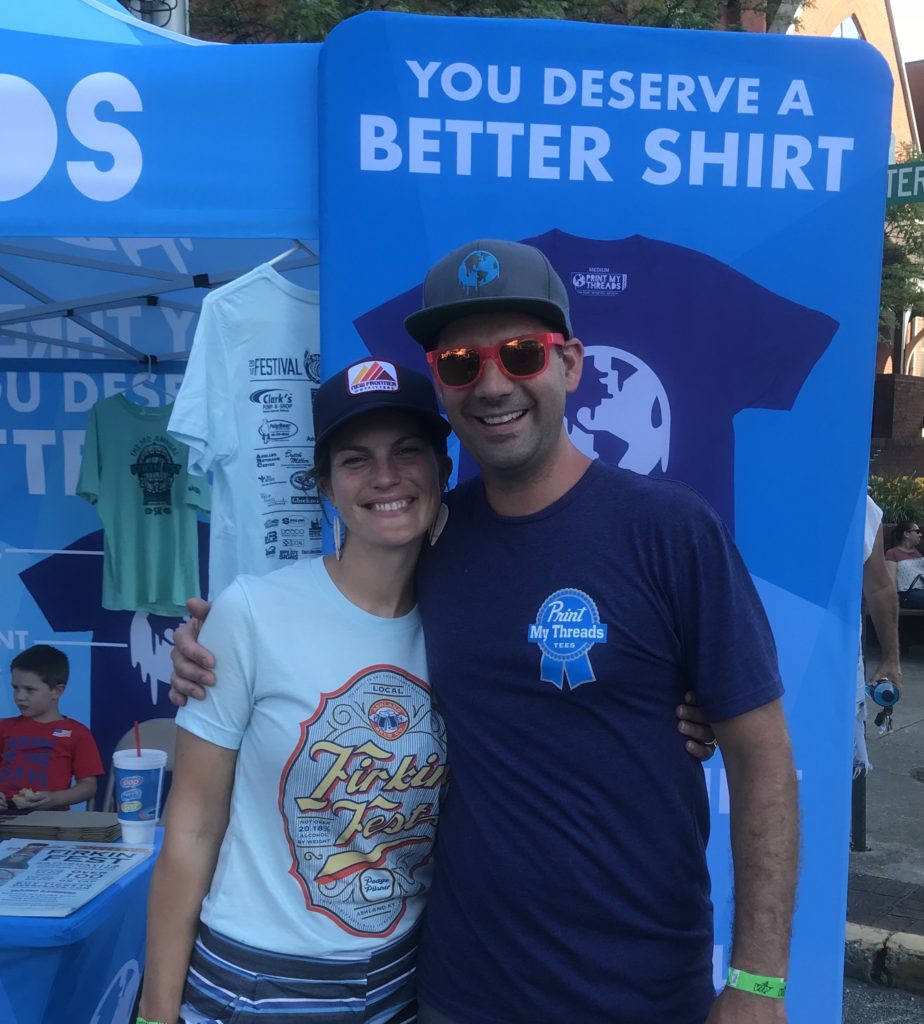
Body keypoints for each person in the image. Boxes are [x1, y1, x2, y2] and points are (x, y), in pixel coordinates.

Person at [171, 239, 795, 1024]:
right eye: (463, 363)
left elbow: (762, 754)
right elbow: (330, 624)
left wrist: (759, 980)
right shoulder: (433, 540)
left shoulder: (669, 531)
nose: (494, 383)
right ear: (442, 382)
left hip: (642, 992)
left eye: (521, 354)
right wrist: (207, 651)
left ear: (569, 364)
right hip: (462, 992)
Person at [137, 361, 455, 1024]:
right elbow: (191, 828)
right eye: (355, 459)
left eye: (406, 452)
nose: (385, 477)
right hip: (256, 983)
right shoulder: (252, 611)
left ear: (442, 469)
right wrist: (154, 1014)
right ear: (326, 488)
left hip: (405, 982)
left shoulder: (468, 622)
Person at [0, 644, 103, 812]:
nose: (20, 697)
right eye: (15, 688)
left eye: (29, 689)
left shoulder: (77, 733)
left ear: (56, 691)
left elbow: (88, 785)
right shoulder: (3, 726)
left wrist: (55, 798)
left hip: (51, 818)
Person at [856, 496, 902, 774]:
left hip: (829, 672)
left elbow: (880, 587)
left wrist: (891, 658)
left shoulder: (858, 502)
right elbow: (879, 587)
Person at [885, 519, 924, 608]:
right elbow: (891, 579)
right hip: (907, 594)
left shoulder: (919, 552)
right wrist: (893, 601)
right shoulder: (892, 553)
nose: (920, 534)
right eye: (917, 532)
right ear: (906, 534)